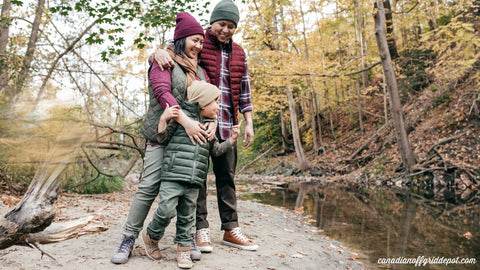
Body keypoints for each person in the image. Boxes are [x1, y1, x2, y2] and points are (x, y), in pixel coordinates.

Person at [111, 12, 215, 264]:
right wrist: (185, 121)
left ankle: (186, 237)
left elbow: (210, 101)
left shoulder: (201, 71)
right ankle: (128, 237)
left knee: (188, 189)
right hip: (164, 135)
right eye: (194, 40)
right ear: (181, 40)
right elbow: (161, 91)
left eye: (201, 42)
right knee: (148, 187)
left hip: (188, 143)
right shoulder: (164, 60)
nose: (198, 46)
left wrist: (212, 122)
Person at [154, 0, 257, 252]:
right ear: (212, 23)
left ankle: (231, 229)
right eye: (222, 24)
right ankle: (200, 230)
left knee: (227, 178)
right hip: (197, 124)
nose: (225, 29)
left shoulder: (240, 53)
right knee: (196, 179)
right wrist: (157, 51)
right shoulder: (199, 42)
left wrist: (248, 123)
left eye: (231, 26)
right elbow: (172, 50)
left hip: (227, 124)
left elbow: (244, 90)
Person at [142, 80, 241, 269]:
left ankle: (184, 249)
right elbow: (161, 138)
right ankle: (151, 235)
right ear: (203, 103)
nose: (218, 107)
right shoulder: (181, 119)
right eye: (216, 102)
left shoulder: (210, 128)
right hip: (173, 175)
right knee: (166, 210)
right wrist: (163, 119)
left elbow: (217, 150)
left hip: (195, 180)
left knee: (187, 217)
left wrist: (232, 140)